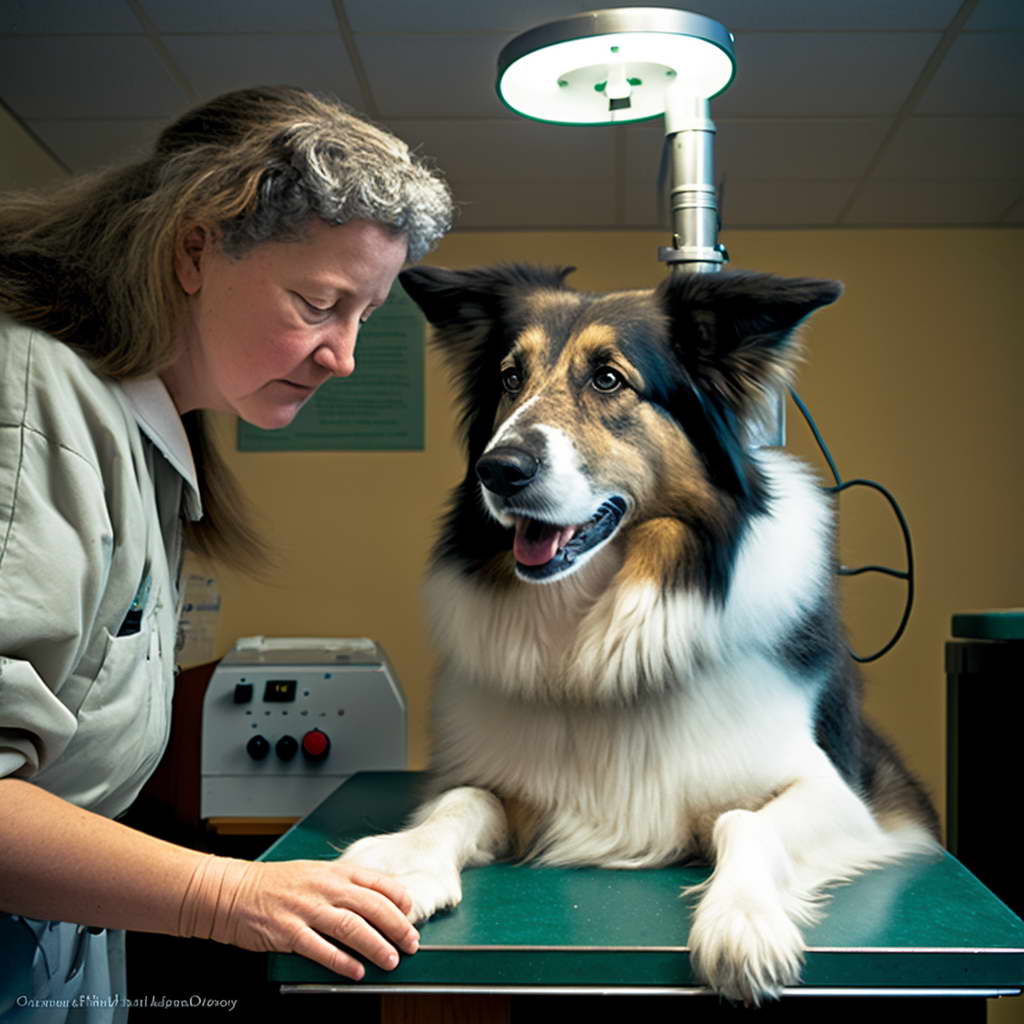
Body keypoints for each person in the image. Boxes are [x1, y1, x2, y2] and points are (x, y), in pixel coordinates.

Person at [0, 85, 454, 1021]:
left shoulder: (147, 428)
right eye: (319, 302)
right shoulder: (33, 400)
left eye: (363, 315)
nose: (344, 357)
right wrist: (230, 895)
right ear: (195, 248)